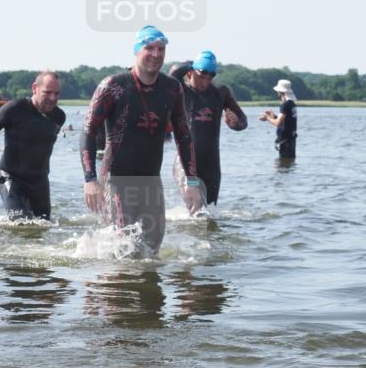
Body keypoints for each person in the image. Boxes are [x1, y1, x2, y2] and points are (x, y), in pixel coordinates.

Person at [81, 25, 201, 257]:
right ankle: (108, 289)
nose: (156, 54)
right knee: (124, 248)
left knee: (151, 250)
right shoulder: (113, 86)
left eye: (161, 49)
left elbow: (184, 136)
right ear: (137, 50)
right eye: (149, 48)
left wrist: (193, 183)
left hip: (151, 181)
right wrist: (90, 180)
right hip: (116, 180)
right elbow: (88, 131)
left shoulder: (172, 88)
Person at [0, 71, 66, 219]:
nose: (53, 98)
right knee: (21, 224)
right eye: (47, 93)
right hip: (12, 178)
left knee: (43, 226)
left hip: (40, 181)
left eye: (57, 93)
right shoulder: (16, 107)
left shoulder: (59, 116)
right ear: (34, 88)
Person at [169, 50, 247, 205]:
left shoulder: (220, 93)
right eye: (201, 76)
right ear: (191, 72)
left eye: (210, 77)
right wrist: (195, 63)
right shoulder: (181, 90)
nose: (205, 82)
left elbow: (243, 121)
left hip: (211, 167)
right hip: (187, 166)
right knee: (195, 208)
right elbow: (174, 72)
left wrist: (235, 123)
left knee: (210, 214)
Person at [259, 79, 297, 159]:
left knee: (282, 167)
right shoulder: (291, 103)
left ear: (281, 92)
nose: (277, 93)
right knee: (288, 165)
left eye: (278, 91)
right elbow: (286, 121)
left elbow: (278, 123)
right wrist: (274, 116)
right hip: (290, 139)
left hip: (286, 141)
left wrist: (267, 117)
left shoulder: (285, 104)